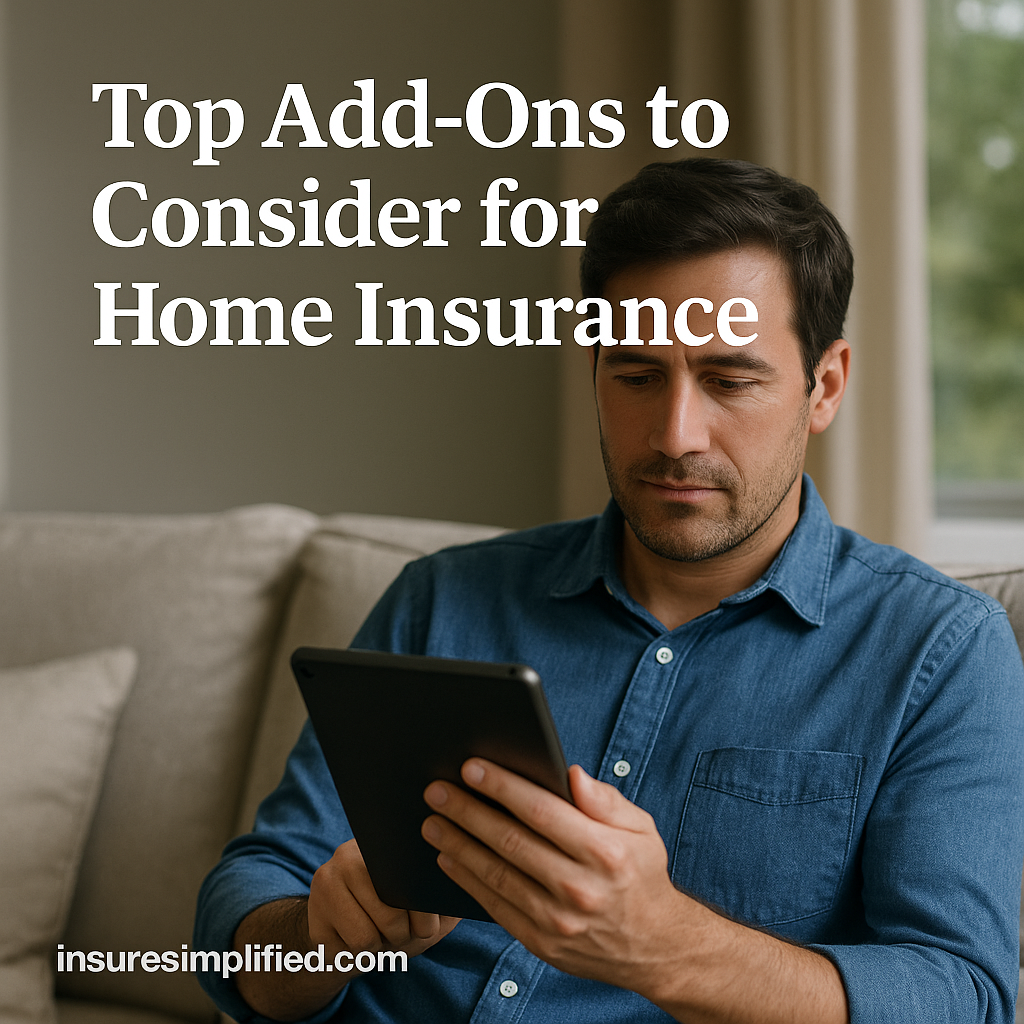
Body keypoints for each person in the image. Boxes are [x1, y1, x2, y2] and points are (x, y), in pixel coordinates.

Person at [194, 158, 1024, 1024]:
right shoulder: (441, 600)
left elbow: (961, 996)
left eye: (730, 380)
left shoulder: (939, 651)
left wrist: (668, 945)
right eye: (635, 375)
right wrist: (319, 936)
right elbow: (247, 904)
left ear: (826, 385)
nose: (674, 435)